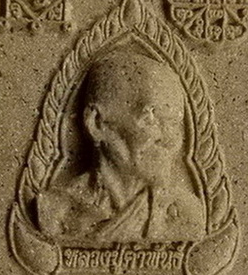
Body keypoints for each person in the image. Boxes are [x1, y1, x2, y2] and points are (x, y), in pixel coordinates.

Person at [34, 50, 206, 242]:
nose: (171, 140)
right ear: (97, 123)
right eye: (150, 119)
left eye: (174, 124)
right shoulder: (57, 211)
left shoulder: (186, 215)